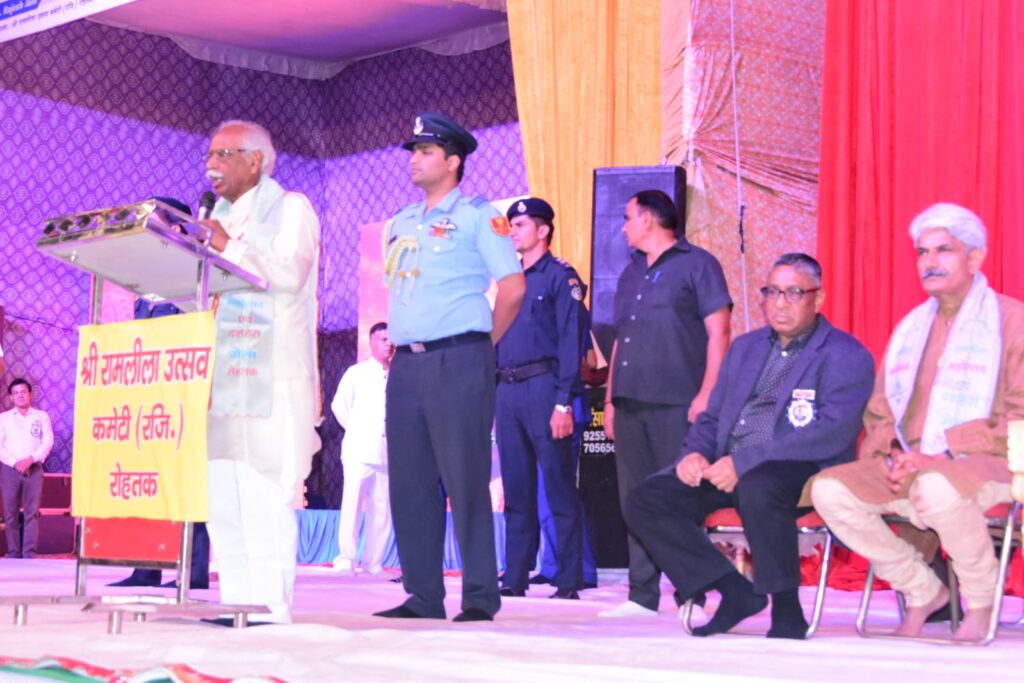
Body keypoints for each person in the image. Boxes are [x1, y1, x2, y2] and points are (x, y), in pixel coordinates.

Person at [625, 253, 874, 638]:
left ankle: (787, 610)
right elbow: (712, 417)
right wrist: (695, 453)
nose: (780, 303)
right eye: (772, 292)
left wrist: (744, 462)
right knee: (647, 499)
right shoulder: (745, 348)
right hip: (729, 465)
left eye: (794, 293)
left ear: (818, 299)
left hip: (801, 465)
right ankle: (733, 590)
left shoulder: (845, 354)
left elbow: (831, 432)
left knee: (759, 486)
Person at [811, 203, 1024, 641]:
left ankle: (981, 601)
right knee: (829, 490)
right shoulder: (912, 328)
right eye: (922, 252)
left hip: (991, 464)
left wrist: (945, 452)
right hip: (913, 464)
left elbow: (1020, 417)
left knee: (937, 486)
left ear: (975, 258)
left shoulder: (1012, 321)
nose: (929, 262)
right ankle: (923, 589)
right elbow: (880, 410)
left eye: (943, 250)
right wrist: (893, 455)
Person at [374, 113, 525, 622]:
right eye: (413, 151)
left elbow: (513, 287)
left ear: (454, 161)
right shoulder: (400, 221)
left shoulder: (479, 216)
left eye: (426, 151)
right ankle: (422, 595)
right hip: (406, 364)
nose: (414, 160)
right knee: (410, 481)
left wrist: (483, 343)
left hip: (460, 357)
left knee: (465, 477)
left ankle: (480, 595)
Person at [199, 120, 321, 625]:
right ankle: (237, 602)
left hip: (272, 377)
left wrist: (227, 246)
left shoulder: (291, 207)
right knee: (223, 495)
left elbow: (289, 272)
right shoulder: (215, 218)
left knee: (264, 493)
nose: (211, 164)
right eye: (209, 154)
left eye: (223, 154)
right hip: (219, 378)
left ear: (255, 161)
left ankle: (270, 606)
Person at [600, 189, 732, 617]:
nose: (623, 227)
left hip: (678, 401)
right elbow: (620, 339)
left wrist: (708, 392)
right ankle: (642, 594)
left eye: (628, 218)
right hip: (629, 400)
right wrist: (610, 399)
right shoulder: (630, 272)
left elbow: (719, 331)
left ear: (649, 219)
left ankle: (692, 592)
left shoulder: (698, 264)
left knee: (680, 496)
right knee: (634, 499)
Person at [109, 203, 210, 590]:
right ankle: (146, 566)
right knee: (148, 482)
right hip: (147, 398)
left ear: (177, 229)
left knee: (186, 483)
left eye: (153, 224)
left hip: (181, 397)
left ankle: (194, 570)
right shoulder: (146, 284)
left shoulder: (193, 275)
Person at [495, 197, 585, 600]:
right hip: (507, 389)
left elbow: (571, 342)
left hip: (544, 387)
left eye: (521, 225)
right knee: (516, 488)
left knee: (558, 486)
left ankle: (568, 578)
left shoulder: (560, 277)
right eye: (511, 226)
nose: (513, 232)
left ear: (543, 230)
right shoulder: (509, 279)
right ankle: (515, 576)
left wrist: (564, 401)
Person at [331, 322, 394, 575]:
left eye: (391, 340)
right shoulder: (356, 373)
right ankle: (346, 559)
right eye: (383, 339)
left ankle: (373, 562)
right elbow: (339, 407)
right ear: (372, 342)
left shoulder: (398, 374)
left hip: (388, 453)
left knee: (382, 510)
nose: (388, 344)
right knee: (352, 505)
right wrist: (358, 431)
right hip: (359, 451)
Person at [0, 378, 54, 559]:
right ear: (11, 397)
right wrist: (15, 462)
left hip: (34, 469)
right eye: (16, 393)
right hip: (10, 471)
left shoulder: (41, 416)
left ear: (30, 394)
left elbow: (48, 442)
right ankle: (14, 553)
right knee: (10, 514)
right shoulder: (4, 418)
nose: (20, 395)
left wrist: (31, 459)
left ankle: (29, 554)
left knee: (32, 513)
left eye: (23, 392)